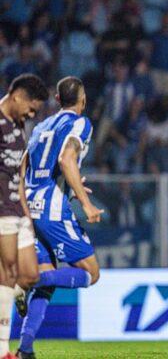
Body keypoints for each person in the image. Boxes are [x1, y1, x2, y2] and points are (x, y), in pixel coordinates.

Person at [16, 76, 104, 359]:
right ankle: (25, 281)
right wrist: (87, 204)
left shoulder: (41, 125)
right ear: (83, 100)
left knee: (49, 277)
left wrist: (72, 188)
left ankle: (25, 349)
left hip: (29, 207)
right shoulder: (80, 122)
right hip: (52, 212)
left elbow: (25, 165)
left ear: (56, 99)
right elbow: (67, 160)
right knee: (91, 273)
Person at [0, 74, 48, 359]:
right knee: (6, 274)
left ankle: (5, 297)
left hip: (19, 209)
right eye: (31, 108)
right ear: (17, 95)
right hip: (1, 209)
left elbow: (19, 173)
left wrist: (28, 216)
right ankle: (2, 349)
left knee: (29, 275)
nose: (32, 114)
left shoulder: (18, 125)